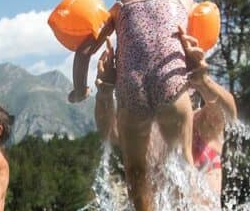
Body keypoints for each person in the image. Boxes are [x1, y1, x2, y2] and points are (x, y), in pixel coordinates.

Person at [70, 0, 195, 211]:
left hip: (133, 88)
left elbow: (84, 50)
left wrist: (80, 89)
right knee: (184, 162)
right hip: (173, 85)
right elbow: (190, 35)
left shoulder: (121, 5)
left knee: (136, 170)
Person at [94, 28, 237, 201]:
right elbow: (108, 132)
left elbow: (229, 113)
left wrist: (203, 81)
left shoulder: (203, 125)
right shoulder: (147, 136)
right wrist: (105, 93)